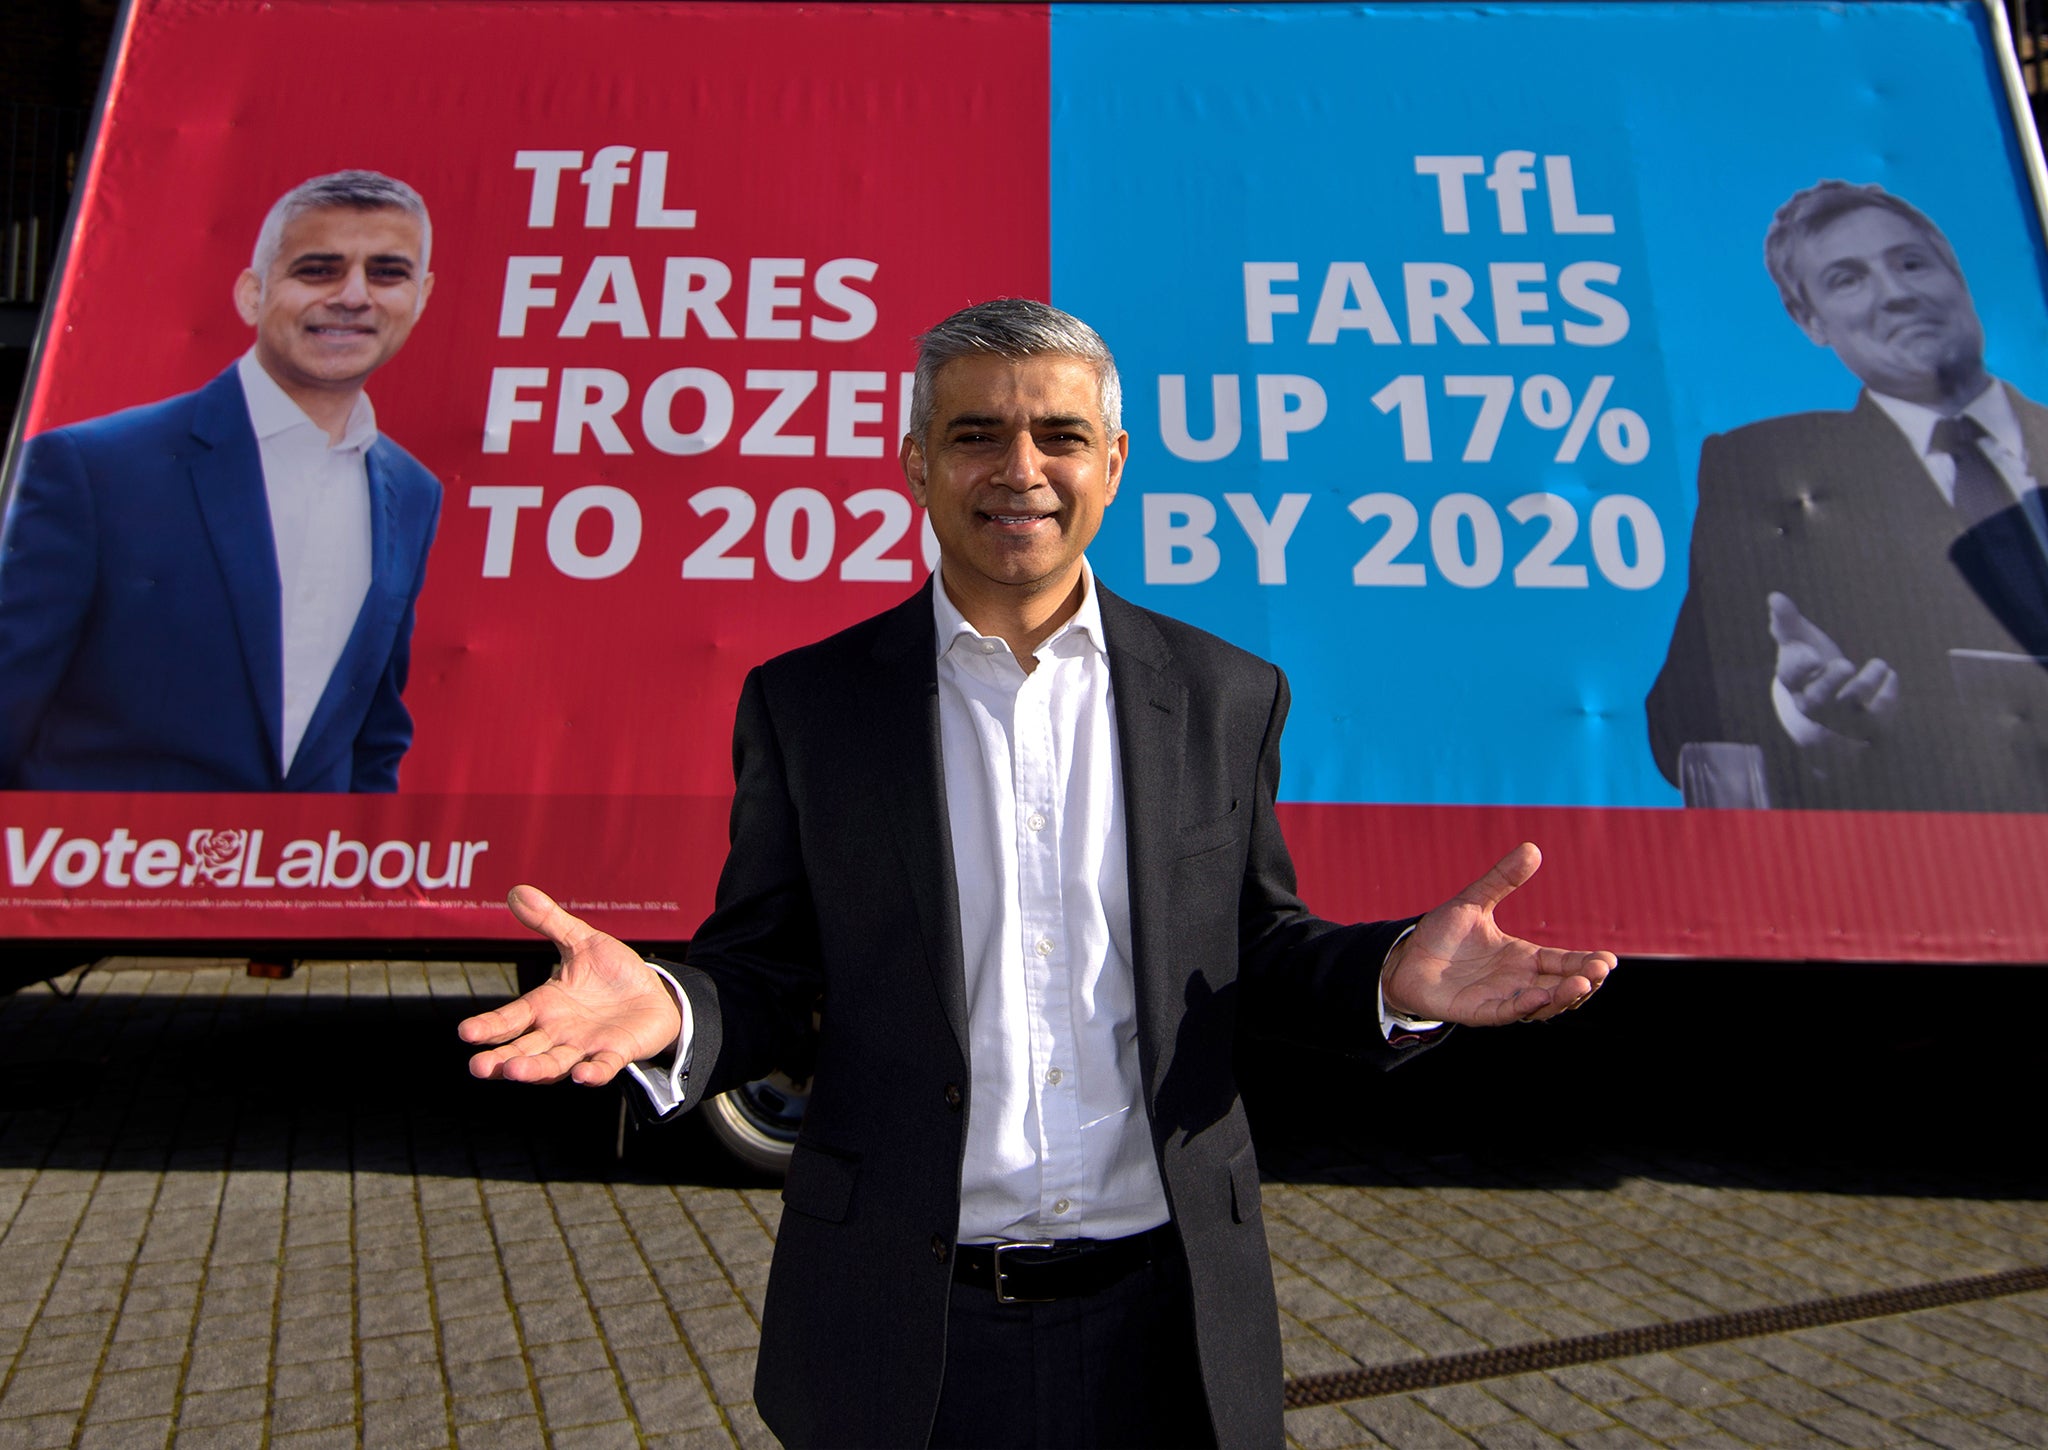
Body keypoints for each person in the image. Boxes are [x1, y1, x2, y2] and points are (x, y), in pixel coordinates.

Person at [460, 300, 1615, 1449]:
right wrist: (668, 1007)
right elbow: (770, 970)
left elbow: (1250, 953)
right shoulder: (811, 704)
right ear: (915, 460)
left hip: (1166, 1328)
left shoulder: (1222, 696)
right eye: (974, 435)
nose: (1020, 469)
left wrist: (1387, 977)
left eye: (1058, 436)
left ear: (1111, 463)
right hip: (903, 1329)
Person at [0, 169, 442, 792]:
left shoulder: (413, 492)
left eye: (387, 273)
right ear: (252, 294)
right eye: (318, 269)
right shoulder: (90, 467)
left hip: (300, 882)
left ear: (421, 296)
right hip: (101, 877)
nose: (353, 295)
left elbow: (372, 736)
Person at [1647, 180, 2048, 811]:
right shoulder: (1765, 469)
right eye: (1847, 279)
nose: (1897, 294)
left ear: (1958, 276)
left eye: (1913, 263)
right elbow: (1681, 723)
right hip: (1934, 866)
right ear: (1811, 322)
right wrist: (1799, 711)